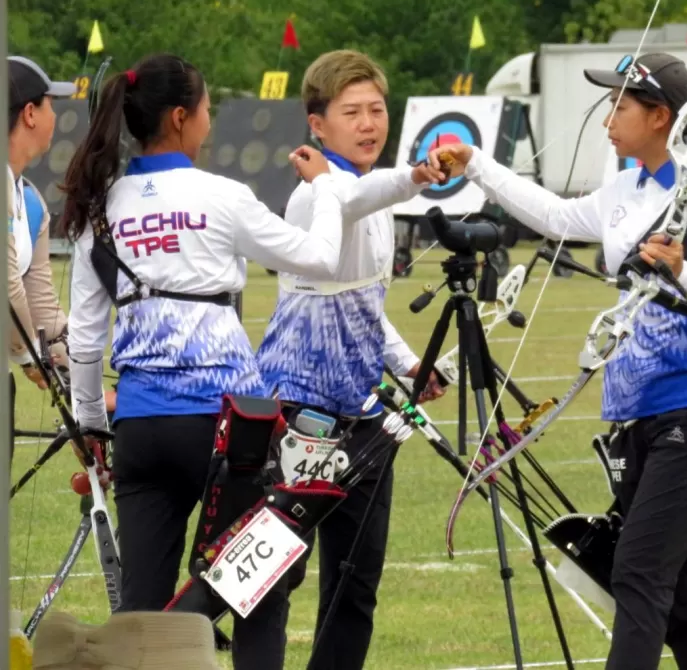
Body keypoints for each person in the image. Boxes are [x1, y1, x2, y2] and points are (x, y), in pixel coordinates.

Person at [62, 53, 454, 670]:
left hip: (140, 424)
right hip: (229, 427)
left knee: (141, 610)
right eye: (208, 108)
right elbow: (320, 258)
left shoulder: (99, 203)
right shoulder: (221, 195)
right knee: (258, 594)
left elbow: (84, 340)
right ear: (183, 117)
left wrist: (91, 427)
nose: (212, 120)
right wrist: (324, 184)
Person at [427, 52, 687, 670]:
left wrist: (683, 269)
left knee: (637, 572)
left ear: (662, 116)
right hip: (637, 414)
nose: (607, 117)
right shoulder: (627, 187)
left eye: (621, 106)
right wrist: (476, 164)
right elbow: (557, 218)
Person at [257, 49, 445, 670]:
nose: (370, 124)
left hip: (365, 411)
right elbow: (351, 197)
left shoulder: (358, 190)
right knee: (277, 573)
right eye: (352, 112)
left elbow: (364, 304)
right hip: (301, 408)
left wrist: (409, 364)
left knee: (356, 580)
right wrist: (417, 175)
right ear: (317, 124)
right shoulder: (318, 197)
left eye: (377, 110)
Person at [6, 56, 76, 460]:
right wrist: (30, 356)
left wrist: (71, 365)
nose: (56, 114)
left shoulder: (30, 201)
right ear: (30, 113)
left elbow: (41, 303)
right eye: (51, 103)